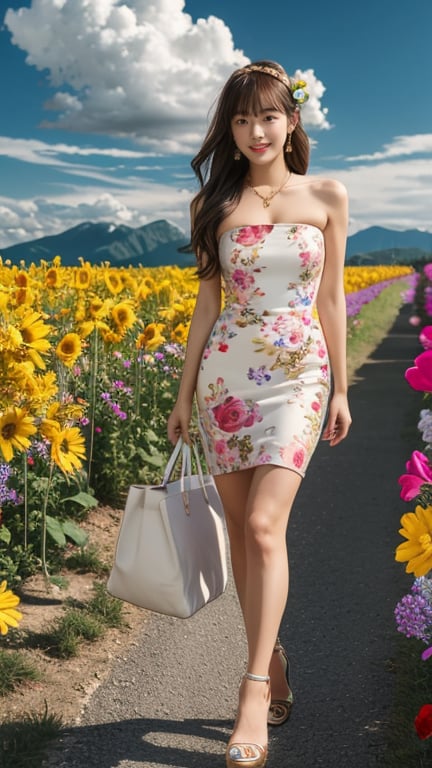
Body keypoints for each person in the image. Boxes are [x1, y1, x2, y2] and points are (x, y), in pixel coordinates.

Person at [167, 60, 352, 768]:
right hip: (226, 384)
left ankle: (249, 695)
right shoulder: (212, 205)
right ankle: (270, 659)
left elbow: (331, 298)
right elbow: (206, 307)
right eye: (241, 120)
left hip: (299, 376)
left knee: (265, 525)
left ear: (292, 120)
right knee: (243, 536)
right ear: (230, 128)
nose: (255, 131)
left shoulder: (328, 196)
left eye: (268, 116)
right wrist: (183, 397)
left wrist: (339, 387)